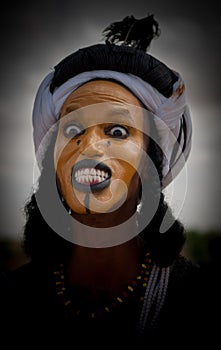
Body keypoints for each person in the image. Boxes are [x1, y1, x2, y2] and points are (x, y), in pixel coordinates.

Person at [0, 13, 214, 347]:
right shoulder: (13, 300)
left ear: (151, 163)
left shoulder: (199, 303)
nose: (89, 145)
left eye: (117, 130)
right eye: (72, 130)